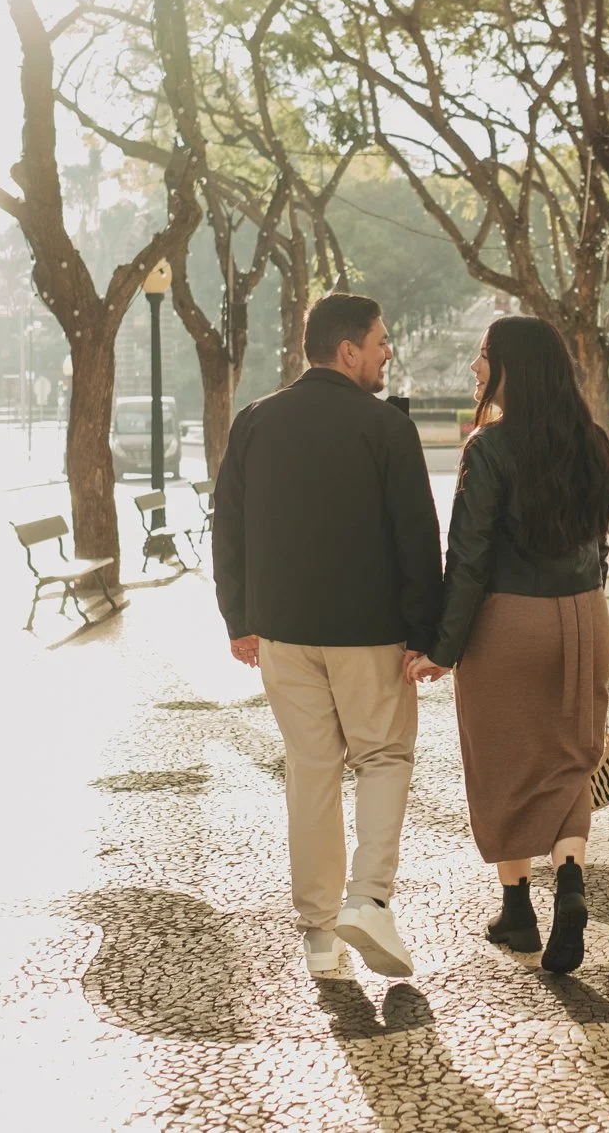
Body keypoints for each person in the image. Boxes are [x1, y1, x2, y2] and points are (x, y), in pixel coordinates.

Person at [214, 293, 443, 979]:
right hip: (370, 634)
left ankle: (319, 934)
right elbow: (416, 537)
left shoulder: (254, 420)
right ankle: (368, 897)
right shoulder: (386, 427)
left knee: (310, 771)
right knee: (384, 758)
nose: (386, 351)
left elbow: (229, 523)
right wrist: (426, 631)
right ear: (348, 350)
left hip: (282, 632)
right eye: (379, 341)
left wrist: (240, 619)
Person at [409, 315, 609, 976]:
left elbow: (468, 558)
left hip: (509, 622)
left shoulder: (488, 448)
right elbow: (602, 542)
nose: (475, 369)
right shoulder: (595, 442)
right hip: (586, 616)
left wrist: (443, 647)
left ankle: (518, 909)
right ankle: (572, 882)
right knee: (567, 758)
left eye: (482, 357)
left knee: (501, 761)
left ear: (512, 368)